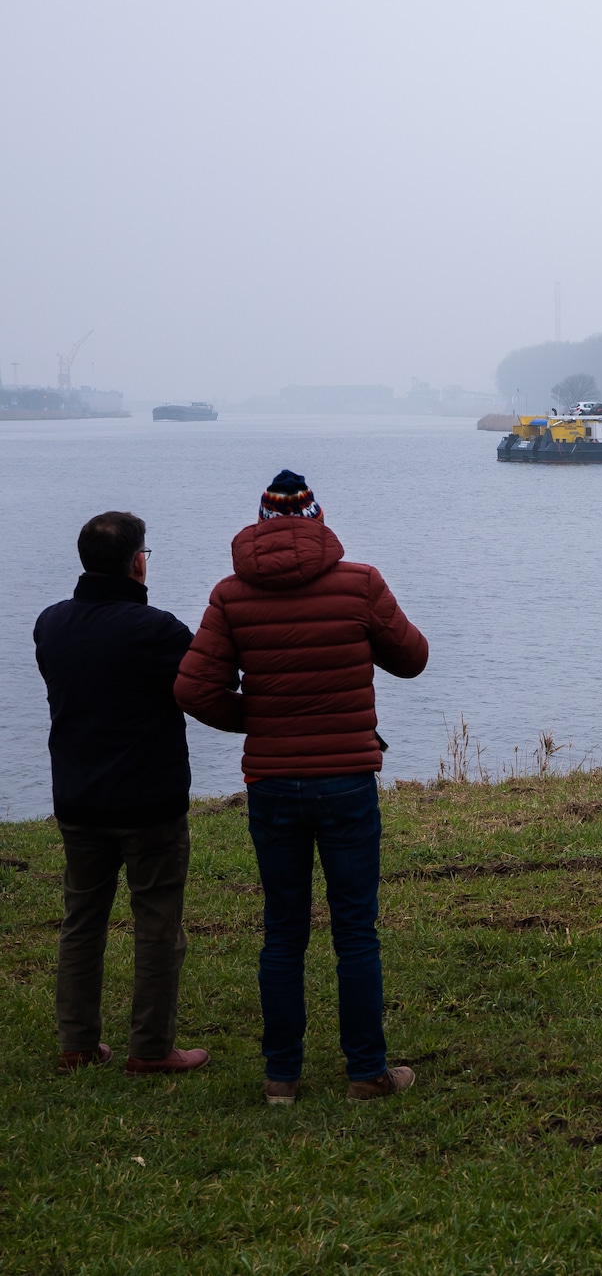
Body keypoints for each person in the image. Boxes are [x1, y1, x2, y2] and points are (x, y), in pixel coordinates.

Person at [175, 471, 428, 1106]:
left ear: (260, 525)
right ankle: (366, 1072)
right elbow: (413, 657)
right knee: (355, 931)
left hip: (272, 785)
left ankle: (281, 1078)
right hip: (346, 780)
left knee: (283, 931)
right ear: (316, 519)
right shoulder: (360, 582)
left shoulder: (230, 595)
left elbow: (194, 689)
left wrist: (257, 717)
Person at [34, 511, 210, 1076]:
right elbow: (204, 687)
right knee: (157, 921)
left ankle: (78, 1043)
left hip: (79, 798)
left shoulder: (50, 625)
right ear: (138, 562)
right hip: (148, 801)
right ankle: (151, 1048)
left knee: (82, 919)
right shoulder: (157, 630)